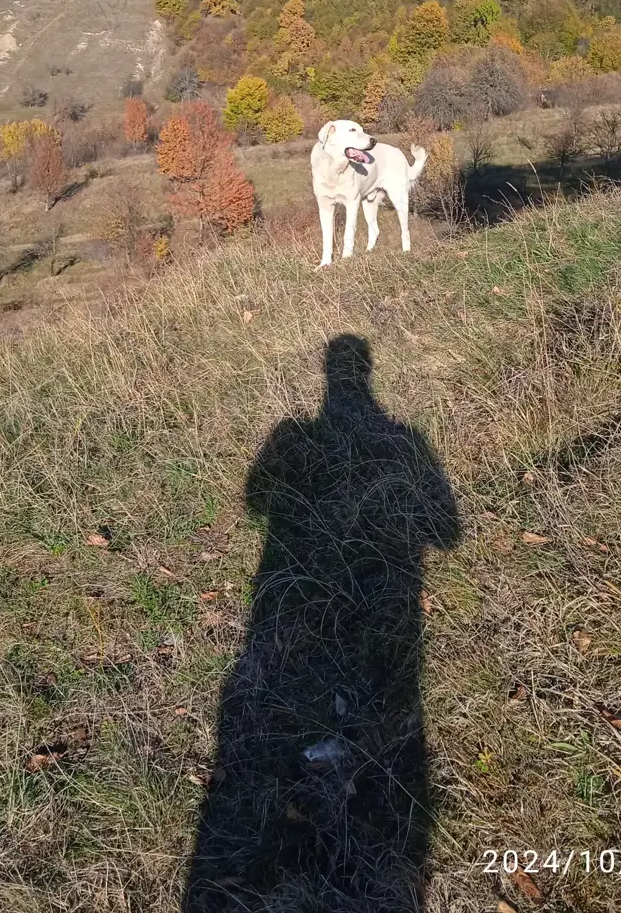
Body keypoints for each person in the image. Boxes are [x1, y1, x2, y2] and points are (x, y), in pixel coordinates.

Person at [183, 335, 462, 912]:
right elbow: (448, 532)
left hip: (295, 587)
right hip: (382, 597)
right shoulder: (403, 439)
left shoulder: (297, 434)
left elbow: (255, 500)